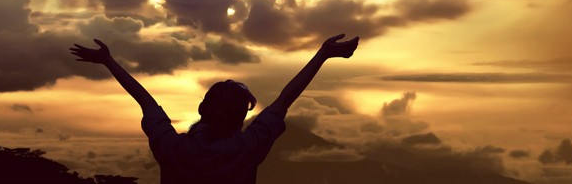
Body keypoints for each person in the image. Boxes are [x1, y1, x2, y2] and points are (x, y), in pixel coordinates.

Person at [70, 33, 359, 184]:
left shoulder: (172, 149)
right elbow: (285, 99)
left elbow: (145, 101)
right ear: (238, 117)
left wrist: (108, 61)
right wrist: (324, 55)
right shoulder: (247, 149)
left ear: (202, 108)